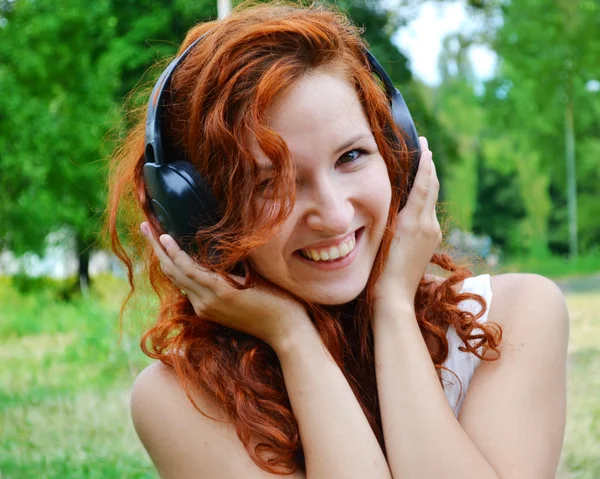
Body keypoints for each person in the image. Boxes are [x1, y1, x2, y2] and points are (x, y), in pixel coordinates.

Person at [106, 2, 569, 478]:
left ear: (398, 154)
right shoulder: (181, 400)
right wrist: (293, 338)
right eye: (269, 183)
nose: (332, 214)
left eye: (351, 156)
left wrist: (392, 306)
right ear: (196, 211)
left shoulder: (515, 318)